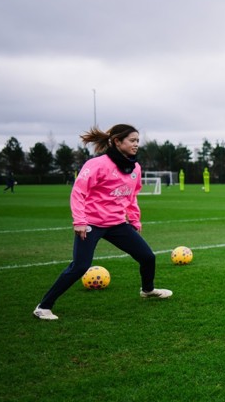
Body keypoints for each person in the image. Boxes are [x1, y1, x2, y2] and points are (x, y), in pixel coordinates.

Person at [33, 124, 171, 321]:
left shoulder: (135, 168)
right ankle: (43, 307)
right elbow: (78, 193)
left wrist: (134, 219)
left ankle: (147, 291)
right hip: (91, 224)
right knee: (80, 266)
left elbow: (132, 196)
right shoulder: (96, 164)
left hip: (116, 223)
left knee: (147, 257)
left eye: (137, 141)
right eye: (132, 140)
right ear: (117, 141)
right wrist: (79, 221)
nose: (136, 145)